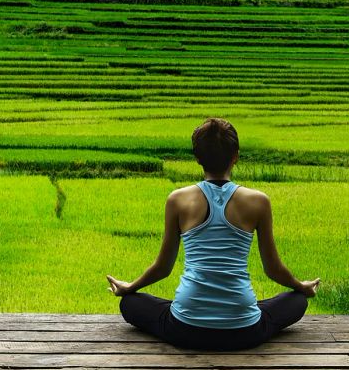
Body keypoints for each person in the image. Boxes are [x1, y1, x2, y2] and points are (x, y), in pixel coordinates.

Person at [106, 117, 320, 351]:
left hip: (185, 329)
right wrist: (301, 286)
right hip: (244, 331)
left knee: (131, 303)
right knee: (297, 301)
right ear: (235, 156)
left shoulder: (177, 199)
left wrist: (130, 288)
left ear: (197, 157)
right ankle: (237, 310)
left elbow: (163, 268)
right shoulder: (258, 201)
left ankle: (196, 309)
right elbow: (273, 269)